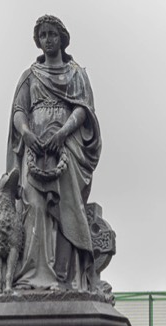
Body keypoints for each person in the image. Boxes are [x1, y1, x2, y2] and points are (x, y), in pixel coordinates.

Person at [7, 15, 102, 292]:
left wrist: (63, 133)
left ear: (62, 38)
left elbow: (83, 109)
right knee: (34, 207)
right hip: (35, 150)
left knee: (66, 209)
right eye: (43, 35)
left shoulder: (75, 74)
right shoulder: (29, 77)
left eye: (52, 34)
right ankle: (34, 276)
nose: (48, 40)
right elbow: (18, 111)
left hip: (66, 149)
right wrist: (26, 133)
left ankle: (67, 277)